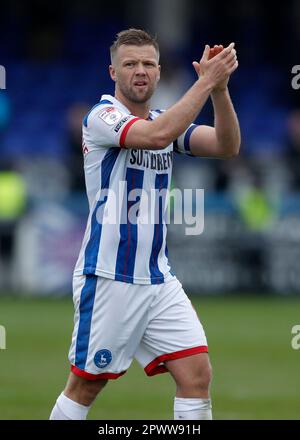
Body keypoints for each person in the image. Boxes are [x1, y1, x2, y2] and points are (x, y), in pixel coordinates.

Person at [50, 28, 240, 420]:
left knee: (196, 373)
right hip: (109, 275)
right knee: (86, 384)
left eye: (149, 64)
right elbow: (155, 137)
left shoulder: (163, 120)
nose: (141, 71)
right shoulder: (102, 117)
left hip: (158, 278)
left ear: (158, 71)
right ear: (113, 72)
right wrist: (204, 81)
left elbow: (226, 145)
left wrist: (219, 89)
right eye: (130, 64)